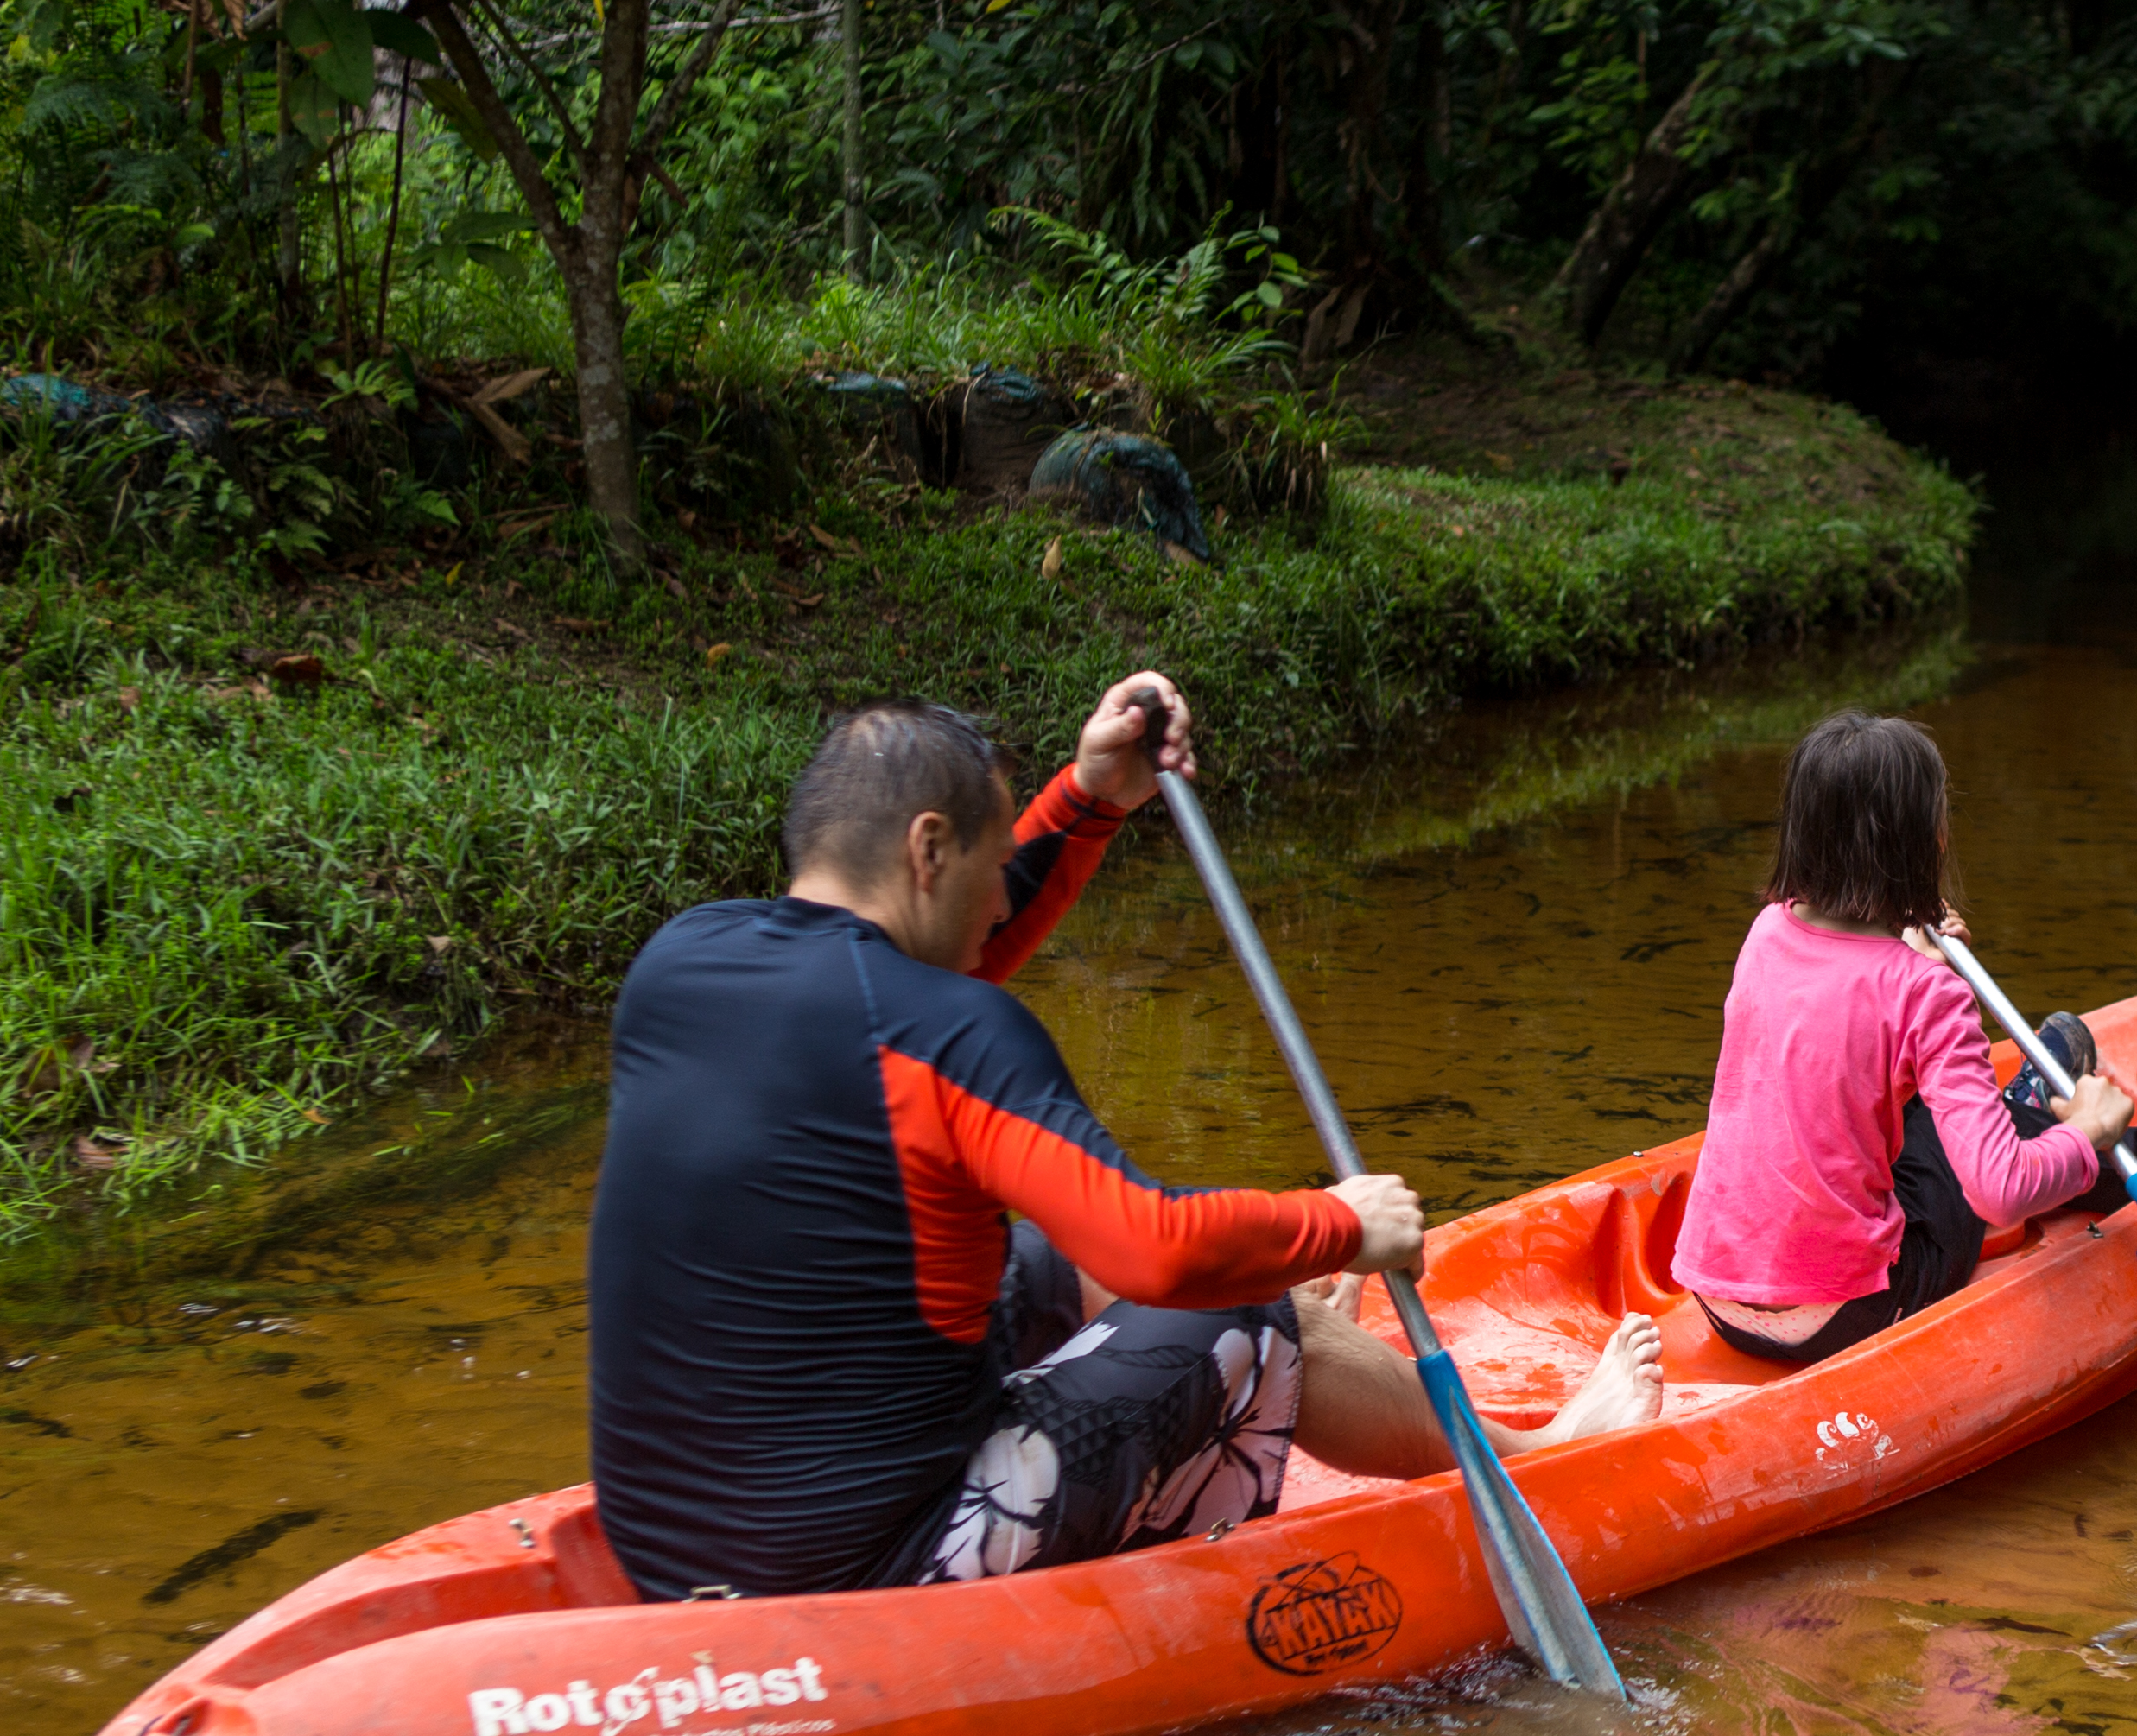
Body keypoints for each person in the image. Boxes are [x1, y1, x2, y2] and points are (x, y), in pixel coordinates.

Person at [585, 680, 1660, 1604]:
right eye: (991, 862)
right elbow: (1153, 1253)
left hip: (668, 1546)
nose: (996, 900)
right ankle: (1532, 1458)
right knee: (1231, 1292)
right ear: (926, 850)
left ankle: (1331, 1360)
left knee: (1068, 1258)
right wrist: (1340, 1224)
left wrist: (1091, 800)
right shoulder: (954, 1034)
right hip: (865, 1566)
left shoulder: (681, 964)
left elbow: (901, 989)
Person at [1671, 709, 2137, 1369]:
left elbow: (1840, 1035)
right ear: (1926, 841)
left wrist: (1909, 963)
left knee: (1930, 1116)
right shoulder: (1927, 996)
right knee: (2002, 1151)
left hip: (1720, 1300)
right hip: (1848, 1311)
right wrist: (2088, 1132)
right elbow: (2000, 1194)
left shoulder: (1767, 933)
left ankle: (2016, 1104)